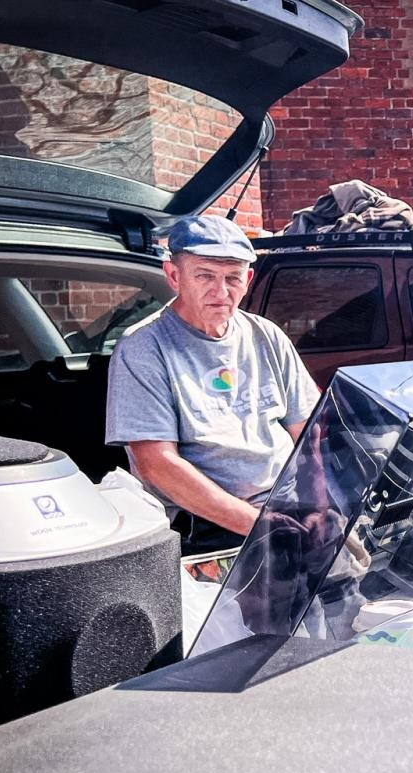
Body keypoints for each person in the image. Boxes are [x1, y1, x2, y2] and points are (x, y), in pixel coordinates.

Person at [105, 215, 320, 554]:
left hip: (288, 507)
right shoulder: (144, 348)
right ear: (174, 276)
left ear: (248, 279)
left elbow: (309, 430)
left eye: (232, 278)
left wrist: (319, 503)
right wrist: (262, 526)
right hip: (211, 528)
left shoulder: (267, 335)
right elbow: (158, 465)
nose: (221, 292)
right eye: (205, 275)